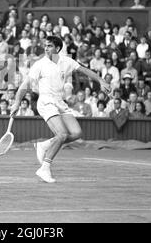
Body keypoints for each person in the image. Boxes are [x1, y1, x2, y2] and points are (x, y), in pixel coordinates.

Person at [10, 36, 110, 183]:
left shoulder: (66, 61)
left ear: (57, 49)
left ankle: (45, 144)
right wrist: (17, 103)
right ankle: (44, 168)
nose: (46, 48)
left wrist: (101, 80)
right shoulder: (39, 64)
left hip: (59, 102)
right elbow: (24, 86)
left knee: (76, 133)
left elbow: (84, 70)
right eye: (45, 45)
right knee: (62, 134)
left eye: (49, 46)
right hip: (45, 102)